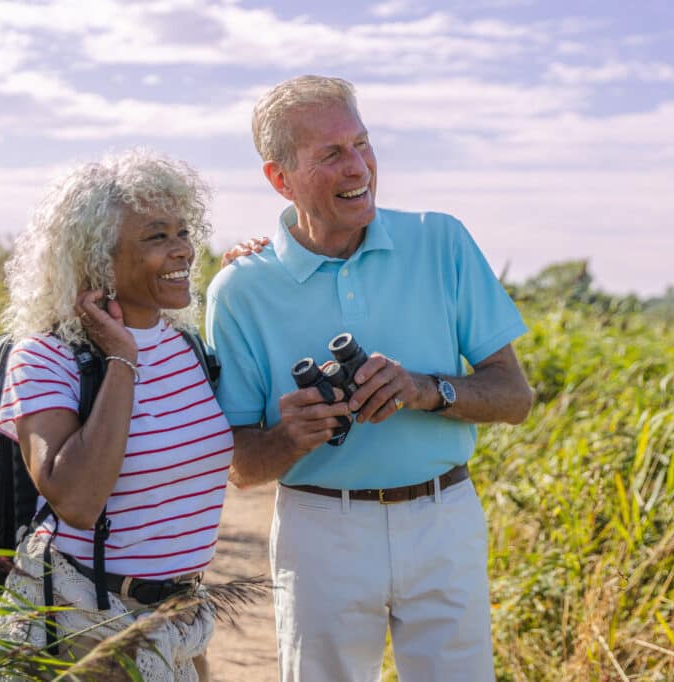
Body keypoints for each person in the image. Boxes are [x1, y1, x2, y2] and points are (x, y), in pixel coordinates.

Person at [205, 75, 534, 681]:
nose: (358, 165)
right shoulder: (241, 289)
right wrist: (290, 435)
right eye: (330, 154)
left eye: (362, 143)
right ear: (280, 178)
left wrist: (427, 390)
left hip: (445, 517)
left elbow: (516, 397)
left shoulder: (442, 240)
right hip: (319, 530)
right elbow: (240, 467)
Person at [0, 148, 233, 681]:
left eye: (183, 231)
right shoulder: (45, 356)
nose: (183, 251)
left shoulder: (187, 346)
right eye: (156, 237)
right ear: (98, 259)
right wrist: (121, 358)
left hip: (182, 618)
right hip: (88, 623)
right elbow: (76, 500)